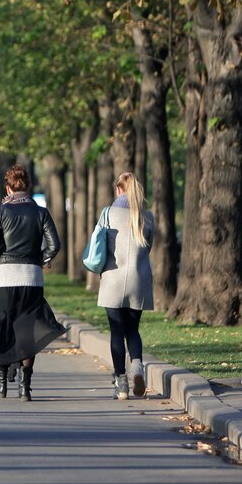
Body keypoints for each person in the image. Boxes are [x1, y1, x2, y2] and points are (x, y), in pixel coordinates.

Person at [0, 164, 63, 402]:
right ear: (28, 186)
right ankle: (25, 385)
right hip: (31, 277)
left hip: (4, 278)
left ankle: (0, 381)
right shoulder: (41, 213)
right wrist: (41, 260)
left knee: (3, 325)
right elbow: (54, 244)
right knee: (27, 330)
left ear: (8, 187)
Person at [95, 171, 155, 400]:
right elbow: (148, 248)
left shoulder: (108, 214)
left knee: (116, 332)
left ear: (119, 190)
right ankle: (138, 367)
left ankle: (121, 383)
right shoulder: (147, 216)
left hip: (113, 279)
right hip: (138, 281)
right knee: (133, 330)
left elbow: (98, 244)